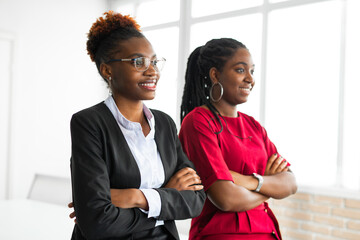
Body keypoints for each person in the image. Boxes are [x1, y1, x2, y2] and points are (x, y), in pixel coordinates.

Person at [69, 11, 205, 240]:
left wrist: (134, 197)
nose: (152, 71)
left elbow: (196, 201)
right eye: (138, 62)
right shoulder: (89, 123)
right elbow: (96, 223)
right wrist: (166, 198)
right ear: (107, 70)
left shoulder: (164, 124)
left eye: (154, 62)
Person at [178, 38, 297, 240]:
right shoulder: (198, 122)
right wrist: (268, 189)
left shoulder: (254, 126)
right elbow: (225, 198)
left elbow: (290, 183)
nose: (250, 79)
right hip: (221, 234)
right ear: (215, 75)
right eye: (241, 70)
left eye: (252, 71)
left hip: (267, 232)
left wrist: (247, 181)